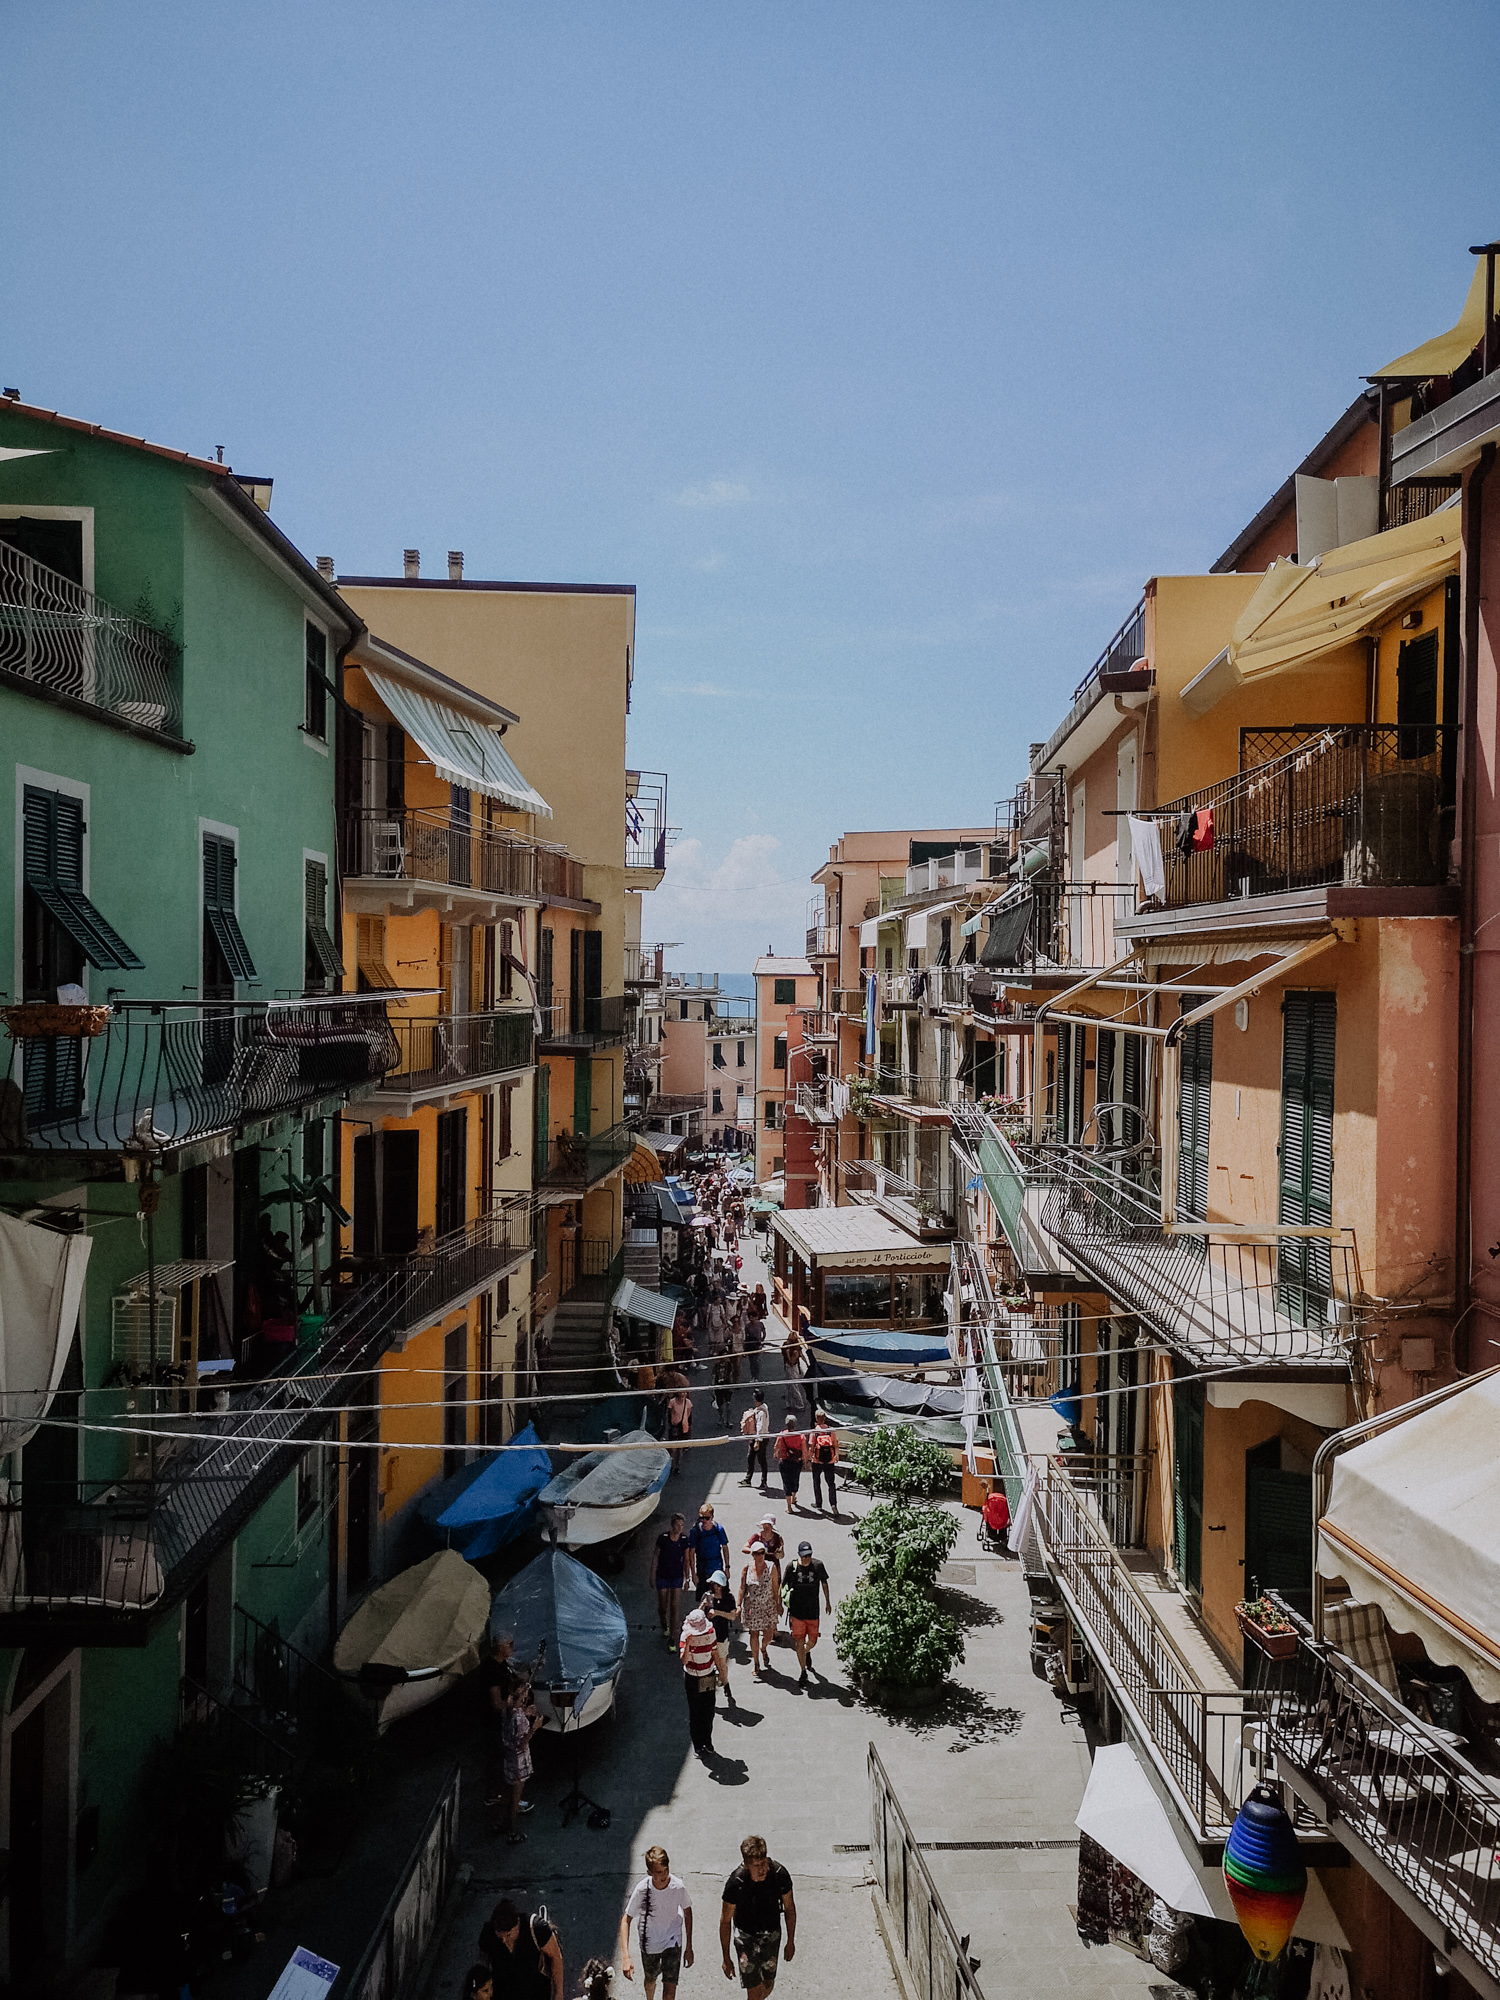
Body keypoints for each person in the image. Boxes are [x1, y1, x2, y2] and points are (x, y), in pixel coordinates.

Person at [720, 1837, 796, 2000]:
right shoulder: (736, 1883)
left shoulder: (778, 1875)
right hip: (745, 1937)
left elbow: (789, 1909)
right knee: (753, 1991)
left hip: (771, 1934)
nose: (762, 1869)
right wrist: (726, 1958)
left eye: (763, 1863)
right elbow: (725, 1922)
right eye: (756, 1866)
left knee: (768, 1984)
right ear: (747, 1865)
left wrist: (791, 1941)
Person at [620, 1845, 694, 2000]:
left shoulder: (678, 1886)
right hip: (650, 1944)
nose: (664, 1875)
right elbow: (626, 1920)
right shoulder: (642, 1890)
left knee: (669, 1991)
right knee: (650, 1980)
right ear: (650, 1873)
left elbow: (687, 1911)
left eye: (666, 1870)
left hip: (673, 1942)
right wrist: (626, 1957)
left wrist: (689, 1946)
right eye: (659, 1872)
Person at [480, 1631, 534, 1817]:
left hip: (501, 1723)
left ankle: (502, 1796)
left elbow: (509, 1681)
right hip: (494, 1725)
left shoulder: (500, 1665)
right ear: (500, 1647)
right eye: (509, 1644)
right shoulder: (492, 1670)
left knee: (501, 1762)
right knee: (502, 1762)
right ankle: (501, 1798)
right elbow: (497, 1704)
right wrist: (519, 1708)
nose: (512, 1647)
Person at [478, 1899, 564, 2000]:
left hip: (536, 1992)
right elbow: (483, 1964)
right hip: (503, 1993)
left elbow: (555, 1957)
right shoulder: (488, 1933)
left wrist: (558, 1993)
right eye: (501, 1937)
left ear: (517, 1924)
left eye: (509, 1935)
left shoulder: (537, 1928)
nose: (504, 1940)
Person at [785, 1540, 832, 1686]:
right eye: (804, 1556)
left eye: (809, 1555)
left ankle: (805, 1652)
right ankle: (803, 1671)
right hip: (797, 1612)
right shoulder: (791, 1567)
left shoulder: (818, 1565)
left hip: (813, 1611)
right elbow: (783, 1585)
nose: (807, 1558)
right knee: (799, 1641)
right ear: (799, 1555)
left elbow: (824, 1583)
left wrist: (827, 1601)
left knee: (812, 1641)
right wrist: (779, 1604)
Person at [500, 1683, 540, 1842]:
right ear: (522, 1697)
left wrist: (525, 1713)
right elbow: (523, 1742)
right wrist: (534, 1727)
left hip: (508, 1758)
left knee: (506, 1793)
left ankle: (499, 1822)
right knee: (515, 1799)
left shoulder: (507, 1711)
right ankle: (512, 1831)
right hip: (519, 1760)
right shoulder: (520, 1719)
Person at [679, 1596, 719, 1759]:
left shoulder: (710, 1633)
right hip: (692, 1678)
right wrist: (688, 1643)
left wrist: (721, 1673)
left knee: (708, 1710)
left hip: (708, 1674)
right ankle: (697, 1744)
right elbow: (684, 1659)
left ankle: (707, 1741)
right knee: (695, 1712)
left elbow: (715, 1653)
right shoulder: (685, 1636)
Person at [737, 1542, 779, 1680]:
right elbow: (742, 1588)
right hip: (752, 1607)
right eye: (757, 1553)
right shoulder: (747, 1568)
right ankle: (756, 1662)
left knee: (768, 1635)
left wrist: (778, 1604)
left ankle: (764, 1648)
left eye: (762, 1553)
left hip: (768, 1606)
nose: (760, 1556)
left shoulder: (771, 1567)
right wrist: (738, 1605)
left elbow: (776, 1587)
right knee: (753, 1634)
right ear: (753, 1555)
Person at [651, 1513, 689, 1646]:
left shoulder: (684, 1540)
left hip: (677, 1577)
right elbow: (656, 1556)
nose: (679, 1528)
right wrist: (652, 1575)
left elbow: (687, 1560)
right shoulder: (663, 1538)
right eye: (677, 1525)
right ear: (672, 1525)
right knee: (663, 1606)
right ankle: (664, 1625)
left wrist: (687, 1578)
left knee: (674, 1607)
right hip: (662, 1576)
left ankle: (673, 1637)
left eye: (682, 1525)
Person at [704, 1569, 737, 1699]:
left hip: (721, 1637)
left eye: (718, 1585)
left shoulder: (729, 1598)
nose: (716, 1588)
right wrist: (703, 1606)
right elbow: (699, 1614)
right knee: (706, 1666)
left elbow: (733, 1616)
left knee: (722, 1665)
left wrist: (717, 1612)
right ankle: (707, 1692)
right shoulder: (707, 1596)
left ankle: (725, 1683)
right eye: (714, 1584)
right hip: (707, 1637)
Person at [685, 1502, 730, 1592]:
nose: (704, 1520)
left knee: (720, 1595)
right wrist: (693, 1574)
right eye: (701, 1518)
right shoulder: (695, 1532)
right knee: (704, 1598)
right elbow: (691, 1554)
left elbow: (725, 1548)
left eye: (707, 1518)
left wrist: (727, 1567)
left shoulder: (718, 1529)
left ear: (712, 1517)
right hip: (702, 1569)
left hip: (717, 1567)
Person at [772, 1417, 805, 1516]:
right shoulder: (801, 1436)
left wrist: (776, 1454)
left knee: (786, 1482)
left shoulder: (782, 1434)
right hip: (796, 1461)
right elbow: (804, 1449)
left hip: (785, 1461)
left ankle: (789, 1507)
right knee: (795, 1479)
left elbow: (776, 1446)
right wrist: (805, 1460)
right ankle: (794, 1497)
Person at [808, 1410, 840, 1513]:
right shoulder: (831, 1431)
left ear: (816, 1419)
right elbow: (835, 1444)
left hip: (817, 1461)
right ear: (825, 1419)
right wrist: (836, 1455)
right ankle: (833, 1504)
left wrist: (809, 1459)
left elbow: (811, 1446)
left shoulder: (814, 1432)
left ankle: (819, 1504)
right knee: (831, 1483)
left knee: (817, 1482)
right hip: (830, 1460)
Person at [744, 1512, 785, 1589]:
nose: (766, 1526)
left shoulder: (777, 1538)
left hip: (773, 1567)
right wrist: (756, 1552)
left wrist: (779, 1554)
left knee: (775, 1588)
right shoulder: (757, 1536)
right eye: (764, 1524)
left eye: (768, 1525)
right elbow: (744, 1548)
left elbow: (782, 1555)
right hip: (759, 1565)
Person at [740, 1390, 770, 1489]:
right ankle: (748, 1479)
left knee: (761, 1460)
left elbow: (760, 1427)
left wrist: (757, 1441)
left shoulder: (761, 1413)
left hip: (760, 1439)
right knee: (751, 1457)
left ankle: (763, 1482)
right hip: (759, 1437)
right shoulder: (763, 1407)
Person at [664, 1383, 692, 1475]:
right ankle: (670, 1465)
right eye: (681, 1392)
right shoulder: (672, 1402)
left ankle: (677, 1466)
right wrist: (670, 1424)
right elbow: (669, 1414)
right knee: (672, 1449)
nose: (683, 1394)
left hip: (684, 1427)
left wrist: (688, 1426)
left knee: (680, 1449)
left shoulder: (688, 1402)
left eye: (684, 1392)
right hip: (674, 1427)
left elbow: (689, 1415)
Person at [980, 1481, 1011, 1555]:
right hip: (1002, 1522)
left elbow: (985, 1510)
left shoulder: (989, 1502)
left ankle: (992, 1536)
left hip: (991, 1522)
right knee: (1003, 1527)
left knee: (991, 1526)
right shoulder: (1003, 1501)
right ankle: (1003, 1538)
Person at [742, 1301, 765, 1381]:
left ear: (755, 1317)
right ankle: (753, 1377)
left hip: (757, 1345)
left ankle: (757, 1377)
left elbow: (764, 1332)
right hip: (750, 1345)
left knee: (757, 1363)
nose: (750, 1319)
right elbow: (746, 1336)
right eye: (749, 1317)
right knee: (752, 1363)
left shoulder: (760, 1324)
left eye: (752, 1317)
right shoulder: (747, 1326)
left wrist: (762, 1340)